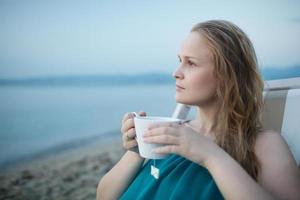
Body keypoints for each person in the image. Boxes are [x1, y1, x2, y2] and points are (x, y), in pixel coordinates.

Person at [97, 20, 300, 199]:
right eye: (180, 61)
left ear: (227, 76)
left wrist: (210, 156)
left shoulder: (263, 144)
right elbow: (104, 196)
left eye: (191, 63)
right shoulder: (172, 133)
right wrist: (136, 153)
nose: (176, 73)